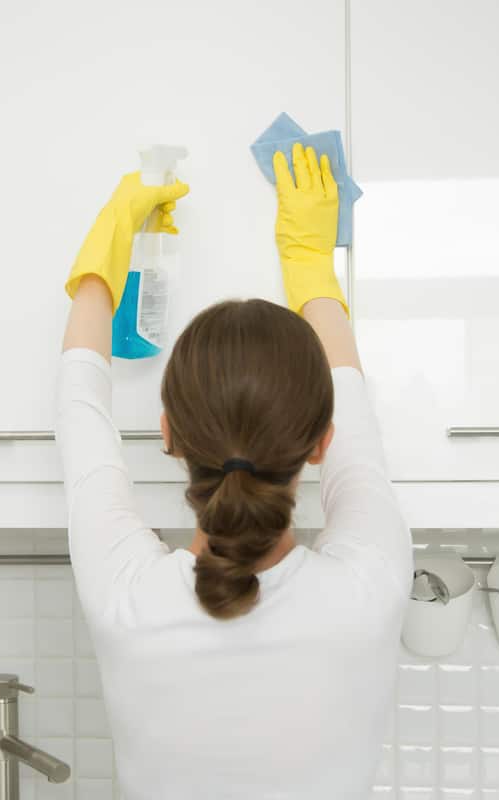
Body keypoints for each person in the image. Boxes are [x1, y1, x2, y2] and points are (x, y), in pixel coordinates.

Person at [56, 143, 411, 799]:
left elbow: (80, 402)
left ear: (166, 434)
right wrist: (310, 263)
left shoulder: (126, 598)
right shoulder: (372, 587)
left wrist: (111, 239)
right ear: (320, 442)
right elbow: (355, 418)